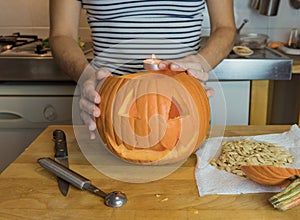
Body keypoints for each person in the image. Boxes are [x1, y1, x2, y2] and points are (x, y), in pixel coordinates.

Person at [49, 0, 236, 139]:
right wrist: (86, 77)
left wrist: (200, 63)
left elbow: (225, 27)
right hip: (108, 104)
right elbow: (61, 35)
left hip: (182, 105)